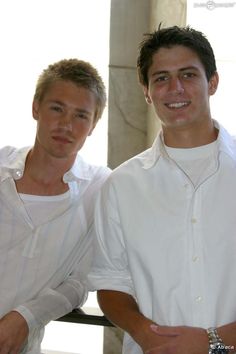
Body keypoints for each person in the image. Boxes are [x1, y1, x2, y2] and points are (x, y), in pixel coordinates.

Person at [87, 26, 236, 354]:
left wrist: (212, 340)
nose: (175, 88)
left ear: (212, 82)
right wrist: (144, 331)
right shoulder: (120, 185)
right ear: (146, 91)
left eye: (188, 74)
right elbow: (110, 283)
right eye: (161, 78)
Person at [0, 58, 110, 353]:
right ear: (36, 107)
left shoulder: (101, 189)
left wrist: (25, 318)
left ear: (94, 124)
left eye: (81, 115)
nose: (66, 125)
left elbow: (80, 282)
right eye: (57, 108)